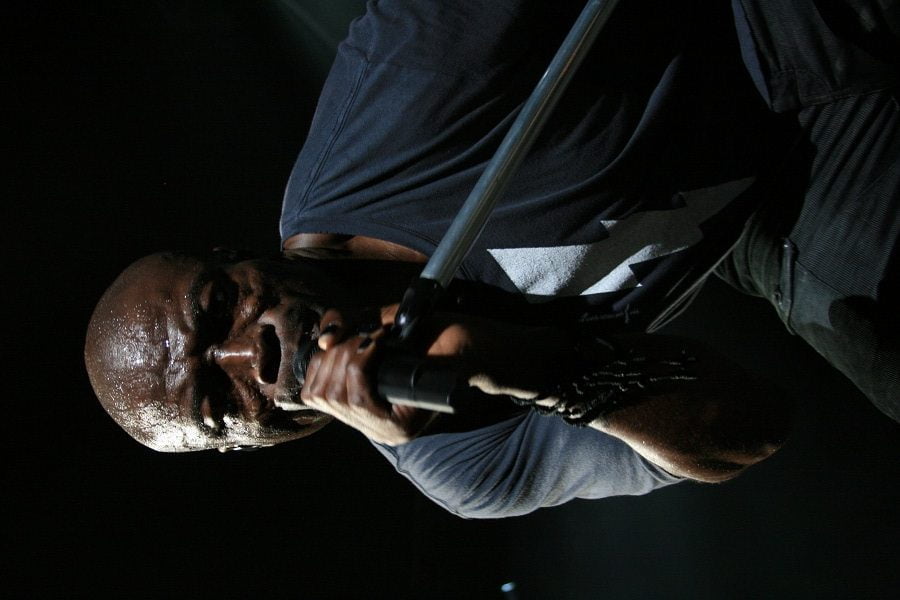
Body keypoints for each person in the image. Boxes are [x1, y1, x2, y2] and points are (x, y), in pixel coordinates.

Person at [85, 0, 897, 518]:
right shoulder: (457, 461)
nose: (249, 355)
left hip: (759, 27)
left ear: (232, 256)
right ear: (242, 447)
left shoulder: (395, 97)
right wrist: (521, 366)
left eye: (217, 309)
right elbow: (753, 425)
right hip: (776, 205)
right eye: (218, 403)